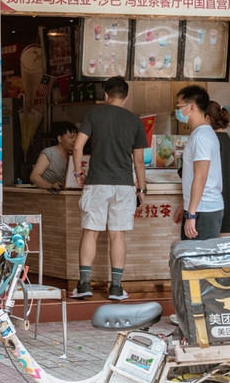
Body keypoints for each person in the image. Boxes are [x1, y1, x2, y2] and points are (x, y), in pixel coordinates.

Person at [71, 76, 147, 301]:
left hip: (96, 183)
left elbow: (77, 147)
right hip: (124, 186)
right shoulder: (135, 121)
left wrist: (78, 173)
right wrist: (141, 190)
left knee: (90, 232)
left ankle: (84, 284)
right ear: (126, 96)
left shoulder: (95, 114)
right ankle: (115, 287)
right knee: (117, 234)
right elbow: (139, 162)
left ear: (105, 95)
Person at [173, 86, 223, 241]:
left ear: (192, 107)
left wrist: (192, 213)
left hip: (204, 210)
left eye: (179, 106)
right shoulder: (202, 133)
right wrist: (185, 205)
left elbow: (201, 177)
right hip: (200, 207)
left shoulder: (201, 137)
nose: (177, 110)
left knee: (200, 262)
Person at [206, 101, 230, 237]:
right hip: (227, 194)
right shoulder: (225, 138)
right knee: (224, 240)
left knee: (216, 243)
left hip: (216, 197)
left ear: (207, 118)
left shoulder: (213, 139)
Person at [29, 122, 78, 192]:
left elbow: (78, 173)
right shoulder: (49, 153)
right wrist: (51, 186)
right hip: (50, 196)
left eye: (77, 137)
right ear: (60, 139)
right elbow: (34, 177)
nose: (75, 141)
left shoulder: (74, 156)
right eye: (71, 137)